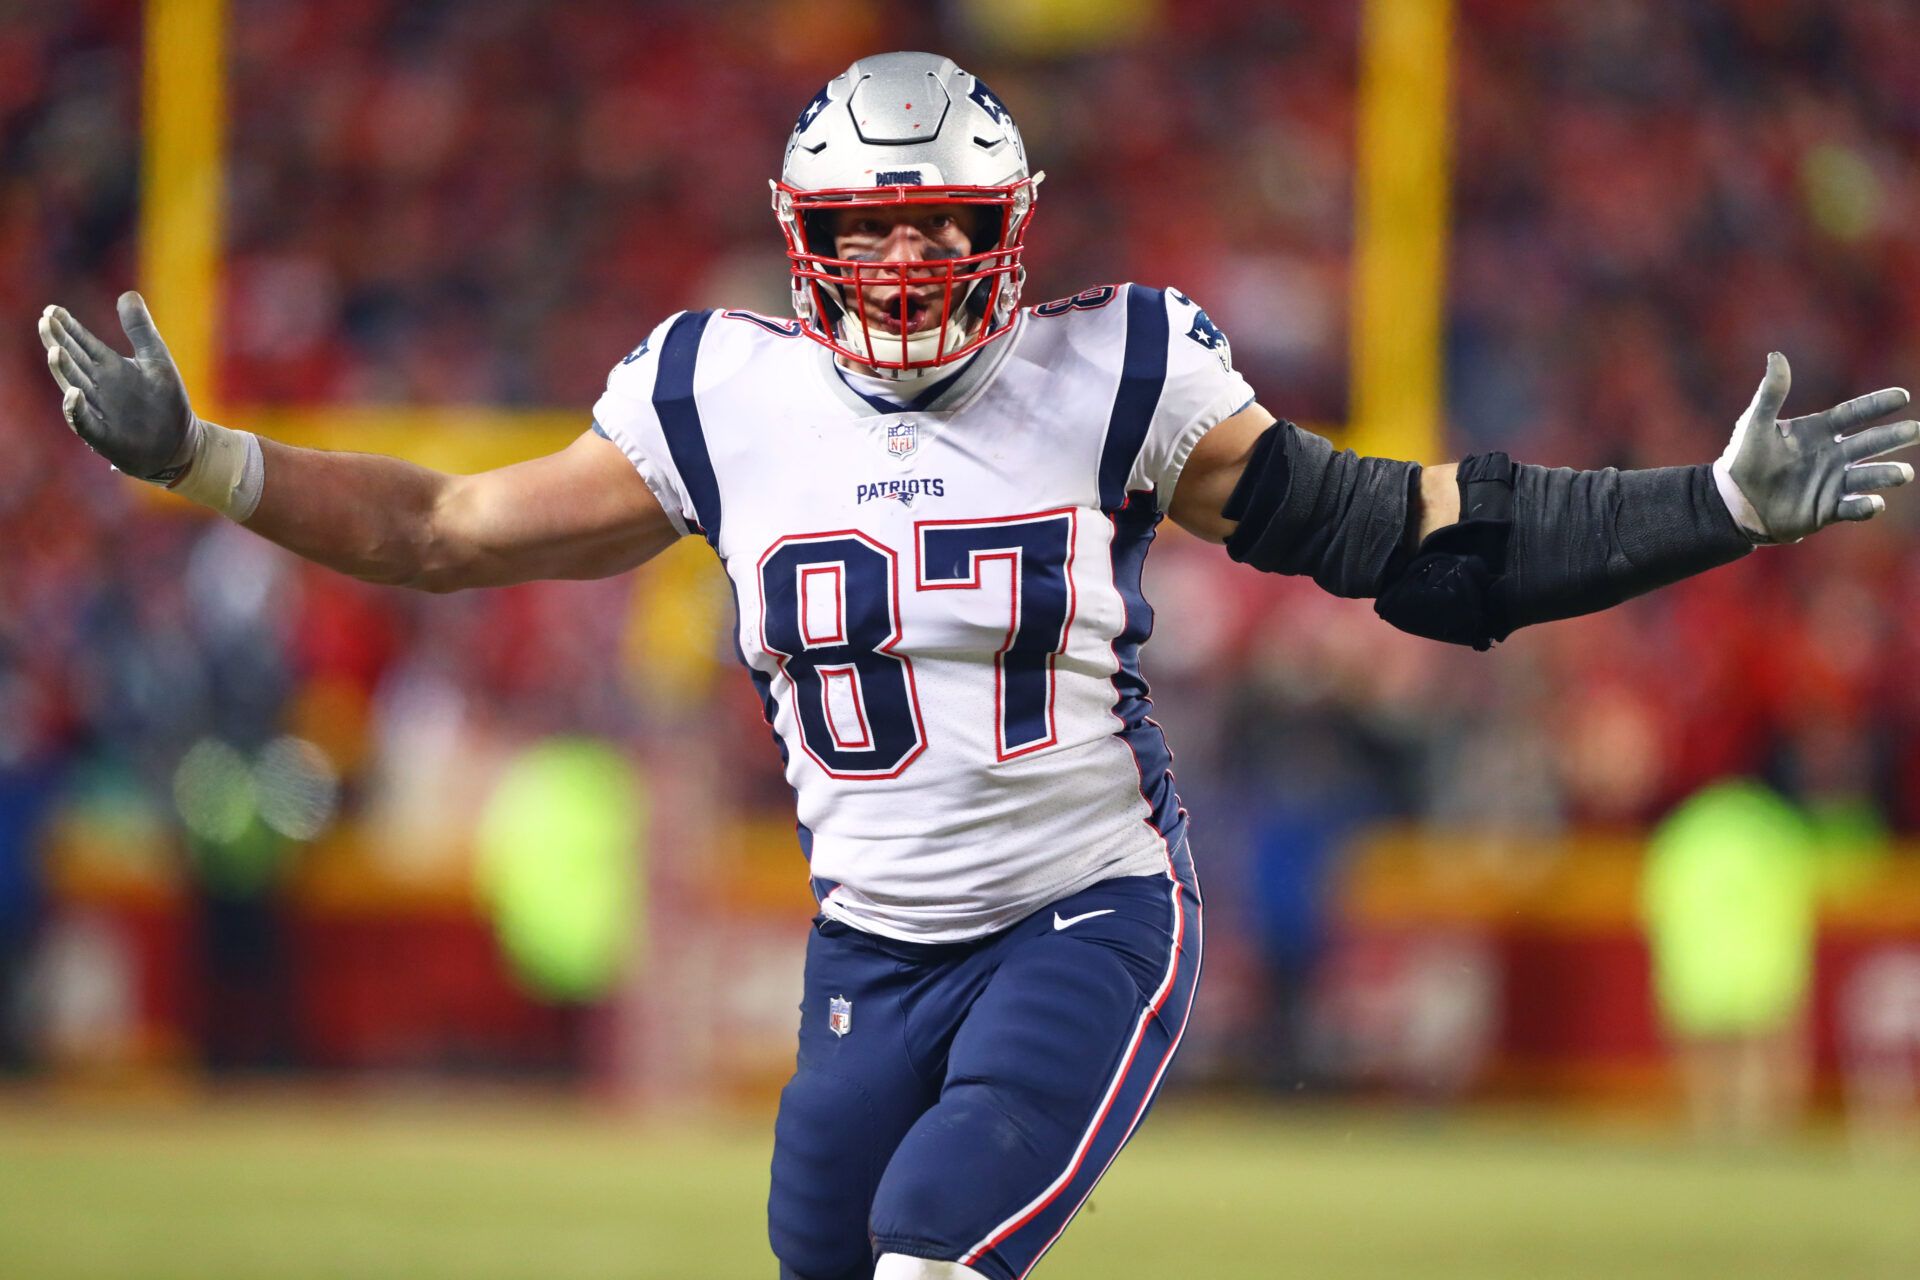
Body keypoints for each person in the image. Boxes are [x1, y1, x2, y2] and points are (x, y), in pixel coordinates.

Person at [36, 50, 1919, 1280]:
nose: (916, 269)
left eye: (947, 229)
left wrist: (1708, 509)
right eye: (875, 234)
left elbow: (1403, 543)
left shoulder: (1120, 373)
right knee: (833, 1260)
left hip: (1084, 910)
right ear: (805, 246)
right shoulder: (718, 395)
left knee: (938, 1249)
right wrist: (209, 463)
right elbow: (443, 534)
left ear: (1013, 236)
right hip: (867, 951)